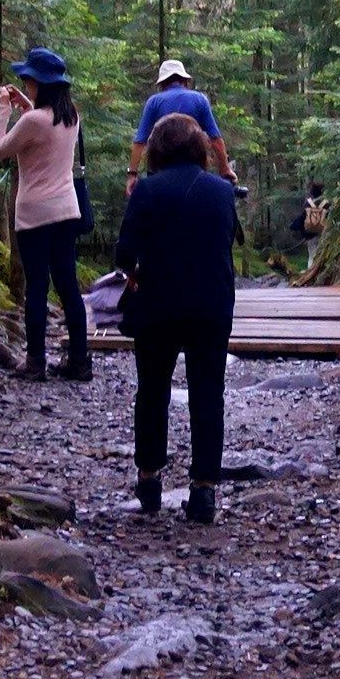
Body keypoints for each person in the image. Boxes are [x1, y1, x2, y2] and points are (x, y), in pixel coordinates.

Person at [113, 112, 238, 523]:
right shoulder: (222, 192)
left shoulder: (146, 190)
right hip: (211, 305)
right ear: (200, 148)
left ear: (157, 150)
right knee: (208, 394)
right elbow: (226, 242)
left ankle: (149, 480)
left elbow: (124, 254)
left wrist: (137, 273)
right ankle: (204, 490)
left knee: (152, 391)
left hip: (157, 305)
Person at [0, 47, 92, 382]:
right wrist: (26, 106)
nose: (25, 83)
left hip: (34, 215)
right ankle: (80, 361)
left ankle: (35, 362)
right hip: (66, 211)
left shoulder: (33, 121)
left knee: (36, 286)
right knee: (68, 286)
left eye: (28, 80)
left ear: (40, 83)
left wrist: (3, 112)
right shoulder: (71, 115)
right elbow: (45, 129)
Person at [125, 58, 233, 198]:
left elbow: (140, 142)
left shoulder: (154, 102)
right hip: (194, 171)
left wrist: (132, 175)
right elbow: (216, 140)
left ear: (162, 83)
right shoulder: (200, 99)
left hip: (161, 170)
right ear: (185, 80)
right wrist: (225, 169)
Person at [293, 179, 329, 276]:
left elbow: (303, 218)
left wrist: (302, 233)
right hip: (322, 232)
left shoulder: (308, 203)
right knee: (321, 254)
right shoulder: (326, 203)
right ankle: (320, 273)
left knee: (312, 254)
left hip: (309, 233)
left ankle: (310, 273)